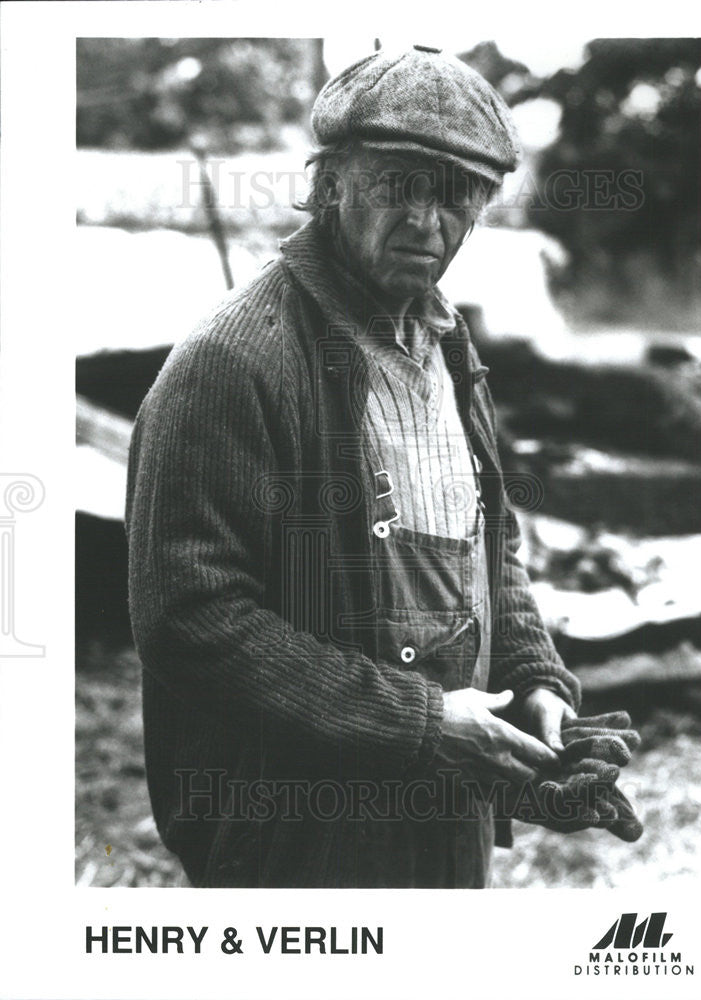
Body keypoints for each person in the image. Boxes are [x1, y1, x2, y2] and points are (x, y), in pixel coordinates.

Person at [126, 45, 625, 889]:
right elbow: (188, 616)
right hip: (297, 836)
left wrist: (535, 684)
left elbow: (485, 540)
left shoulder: (441, 339)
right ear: (329, 186)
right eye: (400, 182)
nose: (430, 219)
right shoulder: (235, 363)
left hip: (444, 813)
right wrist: (421, 724)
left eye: (458, 191)